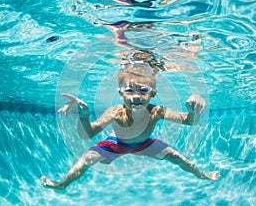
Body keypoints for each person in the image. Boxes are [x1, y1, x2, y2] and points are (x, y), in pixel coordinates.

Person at [41, 66, 220, 190]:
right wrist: (84, 116)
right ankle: (62, 184)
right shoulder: (115, 112)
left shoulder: (156, 111)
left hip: (145, 143)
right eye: (129, 91)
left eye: (143, 91)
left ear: (153, 94)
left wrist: (192, 109)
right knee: (87, 157)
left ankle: (201, 175)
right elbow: (89, 133)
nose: (136, 96)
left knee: (177, 156)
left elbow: (188, 121)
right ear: (121, 94)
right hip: (116, 143)